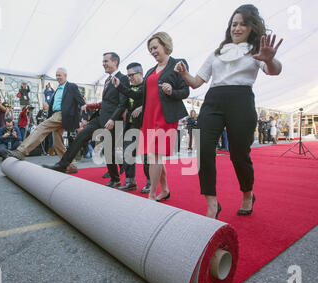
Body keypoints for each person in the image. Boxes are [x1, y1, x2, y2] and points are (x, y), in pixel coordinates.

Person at [175, 4, 283, 219]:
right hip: (213, 100)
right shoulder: (216, 53)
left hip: (241, 101)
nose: (237, 28)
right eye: (234, 24)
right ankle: (212, 203)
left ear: (252, 27)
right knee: (203, 149)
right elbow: (197, 83)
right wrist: (185, 74)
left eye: (243, 24)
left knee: (239, 155)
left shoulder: (256, 52)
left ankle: (247, 194)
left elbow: (275, 71)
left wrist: (269, 59)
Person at [114, 32, 189, 201]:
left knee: (155, 155)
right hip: (148, 117)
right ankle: (165, 190)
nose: (153, 51)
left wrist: (172, 90)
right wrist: (120, 87)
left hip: (165, 116)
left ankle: (152, 195)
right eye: (150, 49)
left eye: (155, 47)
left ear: (165, 45)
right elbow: (139, 93)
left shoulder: (178, 64)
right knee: (155, 156)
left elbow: (185, 91)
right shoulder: (150, 71)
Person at [42, 53, 130, 188]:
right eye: (103, 61)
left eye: (106, 61)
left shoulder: (122, 79)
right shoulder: (107, 80)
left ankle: (115, 179)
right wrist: (89, 106)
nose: (103, 63)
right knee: (81, 136)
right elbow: (106, 102)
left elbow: (123, 103)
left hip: (112, 120)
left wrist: (113, 119)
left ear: (115, 62)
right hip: (100, 117)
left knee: (108, 150)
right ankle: (63, 164)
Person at [8, 68, 86, 174]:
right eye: (56, 75)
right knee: (57, 143)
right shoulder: (57, 89)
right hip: (55, 115)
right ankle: (70, 166)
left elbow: (82, 102)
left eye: (60, 75)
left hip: (63, 114)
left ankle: (22, 151)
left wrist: (84, 118)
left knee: (41, 128)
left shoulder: (71, 86)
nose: (57, 77)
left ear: (65, 75)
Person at [112, 62, 151, 192]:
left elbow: (150, 100)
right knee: (127, 153)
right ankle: (130, 182)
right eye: (128, 76)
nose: (129, 78)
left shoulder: (148, 85)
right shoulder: (129, 87)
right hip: (129, 125)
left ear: (140, 73)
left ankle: (151, 182)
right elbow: (124, 102)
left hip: (144, 125)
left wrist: (142, 107)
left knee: (147, 156)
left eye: (131, 75)